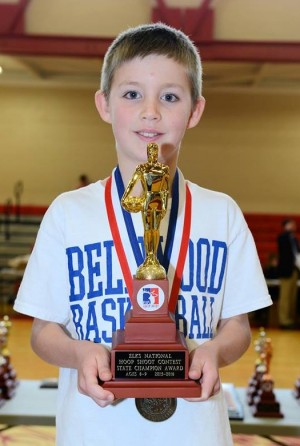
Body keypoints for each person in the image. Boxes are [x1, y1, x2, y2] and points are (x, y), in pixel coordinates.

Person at [13, 23, 272, 446]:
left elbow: (237, 326)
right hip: (94, 432)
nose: (150, 112)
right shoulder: (68, 213)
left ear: (195, 110)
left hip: (196, 433)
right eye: (132, 94)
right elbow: (43, 332)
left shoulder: (221, 214)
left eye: (169, 97)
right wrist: (78, 353)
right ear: (104, 104)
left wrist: (213, 351)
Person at [121, 142, 169, 279]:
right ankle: (148, 257)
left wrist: (164, 205)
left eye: (154, 152)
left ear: (157, 153)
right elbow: (131, 185)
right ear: (148, 153)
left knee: (156, 230)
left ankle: (154, 258)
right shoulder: (142, 168)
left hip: (158, 200)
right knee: (148, 229)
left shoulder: (163, 169)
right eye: (150, 152)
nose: (152, 154)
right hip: (147, 199)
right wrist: (125, 198)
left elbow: (165, 190)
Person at [277, 218, 299, 329]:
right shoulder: (283, 237)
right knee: (285, 297)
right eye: (291, 224)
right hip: (286, 271)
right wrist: (287, 232)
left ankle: (290, 319)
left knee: (292, 297)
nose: (293, 226)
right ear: (286, 226)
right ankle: (283, 320)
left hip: (294, 270)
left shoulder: (294, 238)